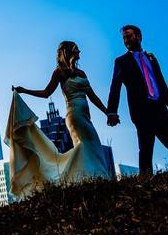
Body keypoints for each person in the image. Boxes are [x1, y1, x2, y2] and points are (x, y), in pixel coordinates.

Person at [7, 41, 113, 198]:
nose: (79, 51)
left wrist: (108, 113)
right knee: (86, 145)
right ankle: (95, 179)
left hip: (85, 116)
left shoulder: (82, 73)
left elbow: (93, 96)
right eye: (76, 49)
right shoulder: (59, 72)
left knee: (91, 145)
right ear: (68, 52)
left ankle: (89, 179)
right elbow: (46, 92)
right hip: (75, 116)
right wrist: (24, 91)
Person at [106, 24, 168, 175]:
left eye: (129, 36)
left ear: (139, 37)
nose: (126, 40)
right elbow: (114, 87)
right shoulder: (121, 61)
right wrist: (112, 112)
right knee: (146, 148)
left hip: (159, 108)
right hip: (141, 111)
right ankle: (145, 180)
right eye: (124, 38)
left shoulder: (152, 59)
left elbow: (161, 83)